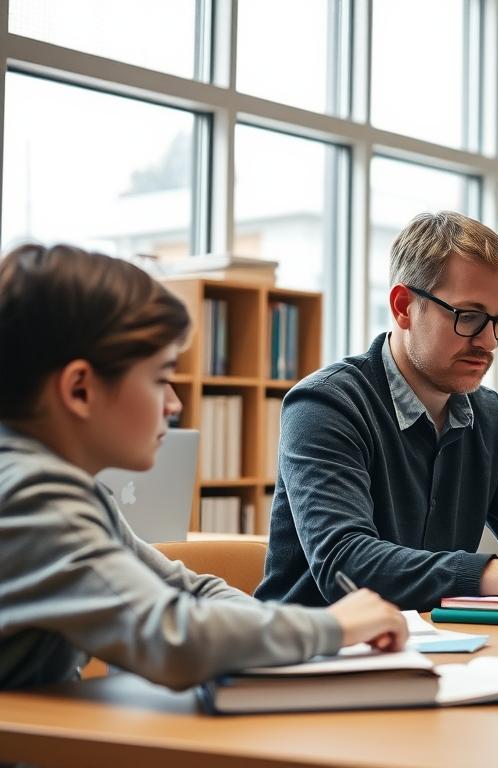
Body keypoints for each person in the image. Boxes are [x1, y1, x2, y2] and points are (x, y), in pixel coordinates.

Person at [0, 244, 407, 691]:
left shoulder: (71, 491)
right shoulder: (32, 499)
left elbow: (186, 589)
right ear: (79, 390)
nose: (174, 404)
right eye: (160, 379)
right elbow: (173, 638)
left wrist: (287, 629)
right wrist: (333, 628)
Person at [255, 212, 498, 611]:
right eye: (469, 317)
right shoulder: (325, 405)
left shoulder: (486, 415)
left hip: (436, 638)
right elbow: (345, 564)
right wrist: (497, 574)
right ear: (403, 306)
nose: (489, 342)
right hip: (319, 643)